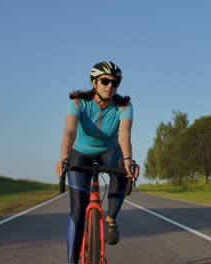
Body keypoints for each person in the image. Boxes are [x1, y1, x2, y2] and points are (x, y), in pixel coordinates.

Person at [54, 61, 140, 264]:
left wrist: (128, 161)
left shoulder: (124, 105)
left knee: (122, 171)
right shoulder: (77, 101)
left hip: (109, 150)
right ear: (94, 82)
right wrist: (64, 158)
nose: (110, 86)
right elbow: (69, 132)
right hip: (81, 152)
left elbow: (124, 135)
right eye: (105, 81)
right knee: (77, 209)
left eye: (115, 82)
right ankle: (71, 261)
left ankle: (111, 220)